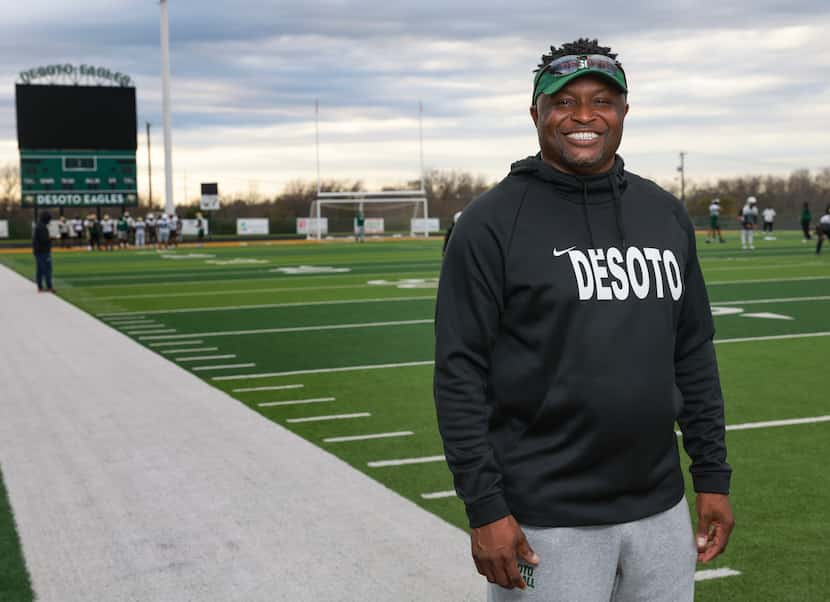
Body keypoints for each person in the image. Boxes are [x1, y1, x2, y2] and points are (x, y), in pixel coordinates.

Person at [434, 38, 734, 601]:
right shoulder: (489, 223)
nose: (584, 117)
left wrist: (712, 476)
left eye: (602, 101)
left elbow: (692, 353)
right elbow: (459, 372)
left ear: (623, 111)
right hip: (546, 518)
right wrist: (484, 507)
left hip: (661, 509)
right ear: (536, 114)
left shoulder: (663, 213)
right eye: (564, 102)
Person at [32, 211, 55, 292]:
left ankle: (40, 287)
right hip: (43, 251)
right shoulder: (42, 227)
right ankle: (49, 287)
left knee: (40, 270)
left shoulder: (38, 226)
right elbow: (44, 240)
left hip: (38, 251)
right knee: (47, 269)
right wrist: (51, 239)